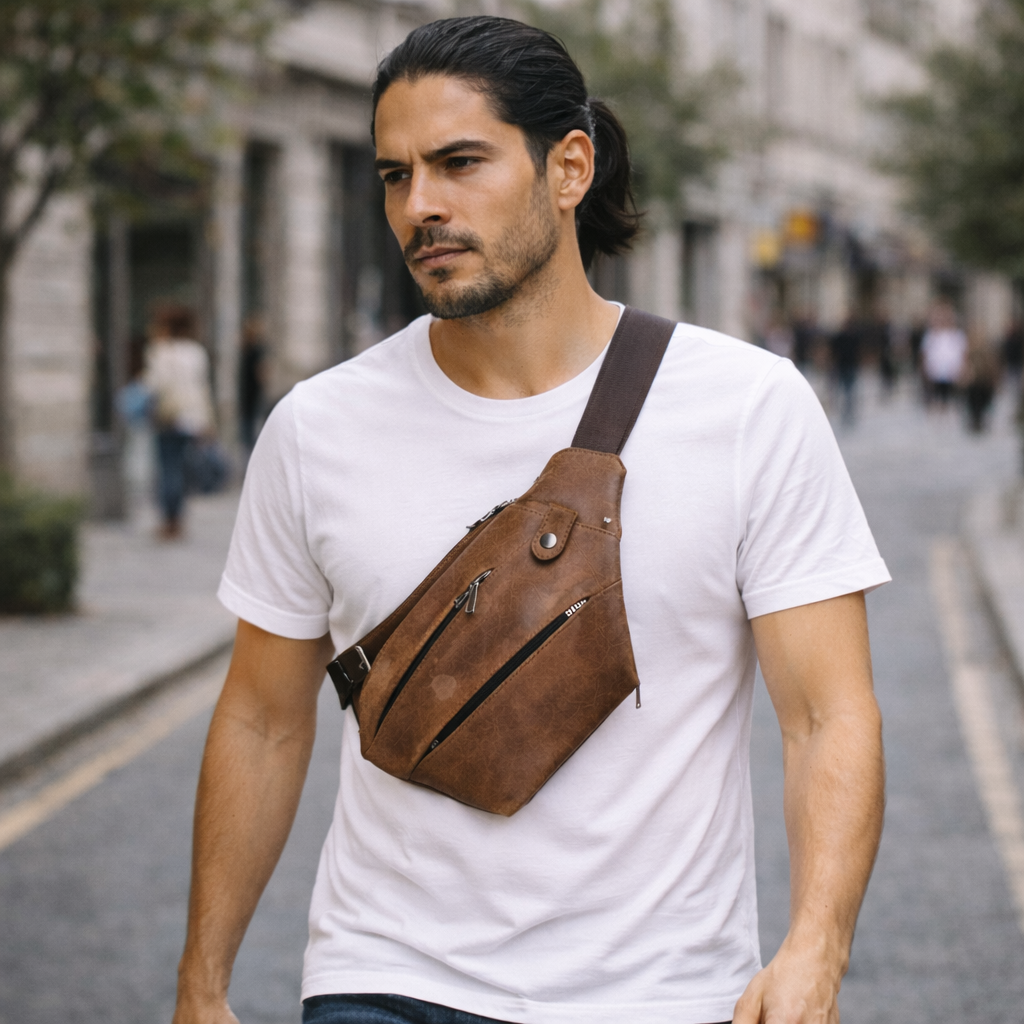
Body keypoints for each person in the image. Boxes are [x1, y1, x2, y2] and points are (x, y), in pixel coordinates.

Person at [174, 17, 889, 1024]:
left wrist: (815, 950)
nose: (421, 205)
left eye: (459, 163)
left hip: (660, 991)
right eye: (393, 175)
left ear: (569, 168)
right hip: (384, 980)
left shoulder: (748, 409)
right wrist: (200, 985)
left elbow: (826, 714)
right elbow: (260, 716)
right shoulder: (315, 428)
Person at [144, 303, 215, 539]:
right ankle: (178, 520)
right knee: (181, 468)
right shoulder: (196, 351)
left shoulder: (160, 351)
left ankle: (169, 521)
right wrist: (207, 419)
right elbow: (202, 386)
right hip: (192, 417)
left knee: (168, 469)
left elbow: (155, 385)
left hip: (169, 416)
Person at [920, 303, 967, 408]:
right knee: (935, 392)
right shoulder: (931, 334)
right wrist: (925, 366)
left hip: (951, 369)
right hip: (935, 368)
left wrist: (962, 367)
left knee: (949, 394)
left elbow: (962, 352)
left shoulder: (957, 334)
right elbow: (925, 352)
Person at [238, 314, 268, 456]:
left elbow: (261, 373)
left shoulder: (256, 351)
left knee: (250, 431)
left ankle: (250, 457)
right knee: (247, 431)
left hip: (252, 395)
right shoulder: (247, 350)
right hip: (248, 395)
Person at [962, 334, 999, 433]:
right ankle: (975, 421)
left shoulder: (989, 353)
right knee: (974, 403)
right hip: (974, 382)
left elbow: (993, 367)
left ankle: (979, 421)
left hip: (985, 381)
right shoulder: (970, 352)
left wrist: (993, 380)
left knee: (983, 403)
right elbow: (966, 366)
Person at [830, 314, 862, 425]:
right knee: (848, 391)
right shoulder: (847, 337)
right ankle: (847, 413)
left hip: (847, 366)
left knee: (847, 391)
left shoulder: (848, 337)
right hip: (845, 366)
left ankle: (847, 413)